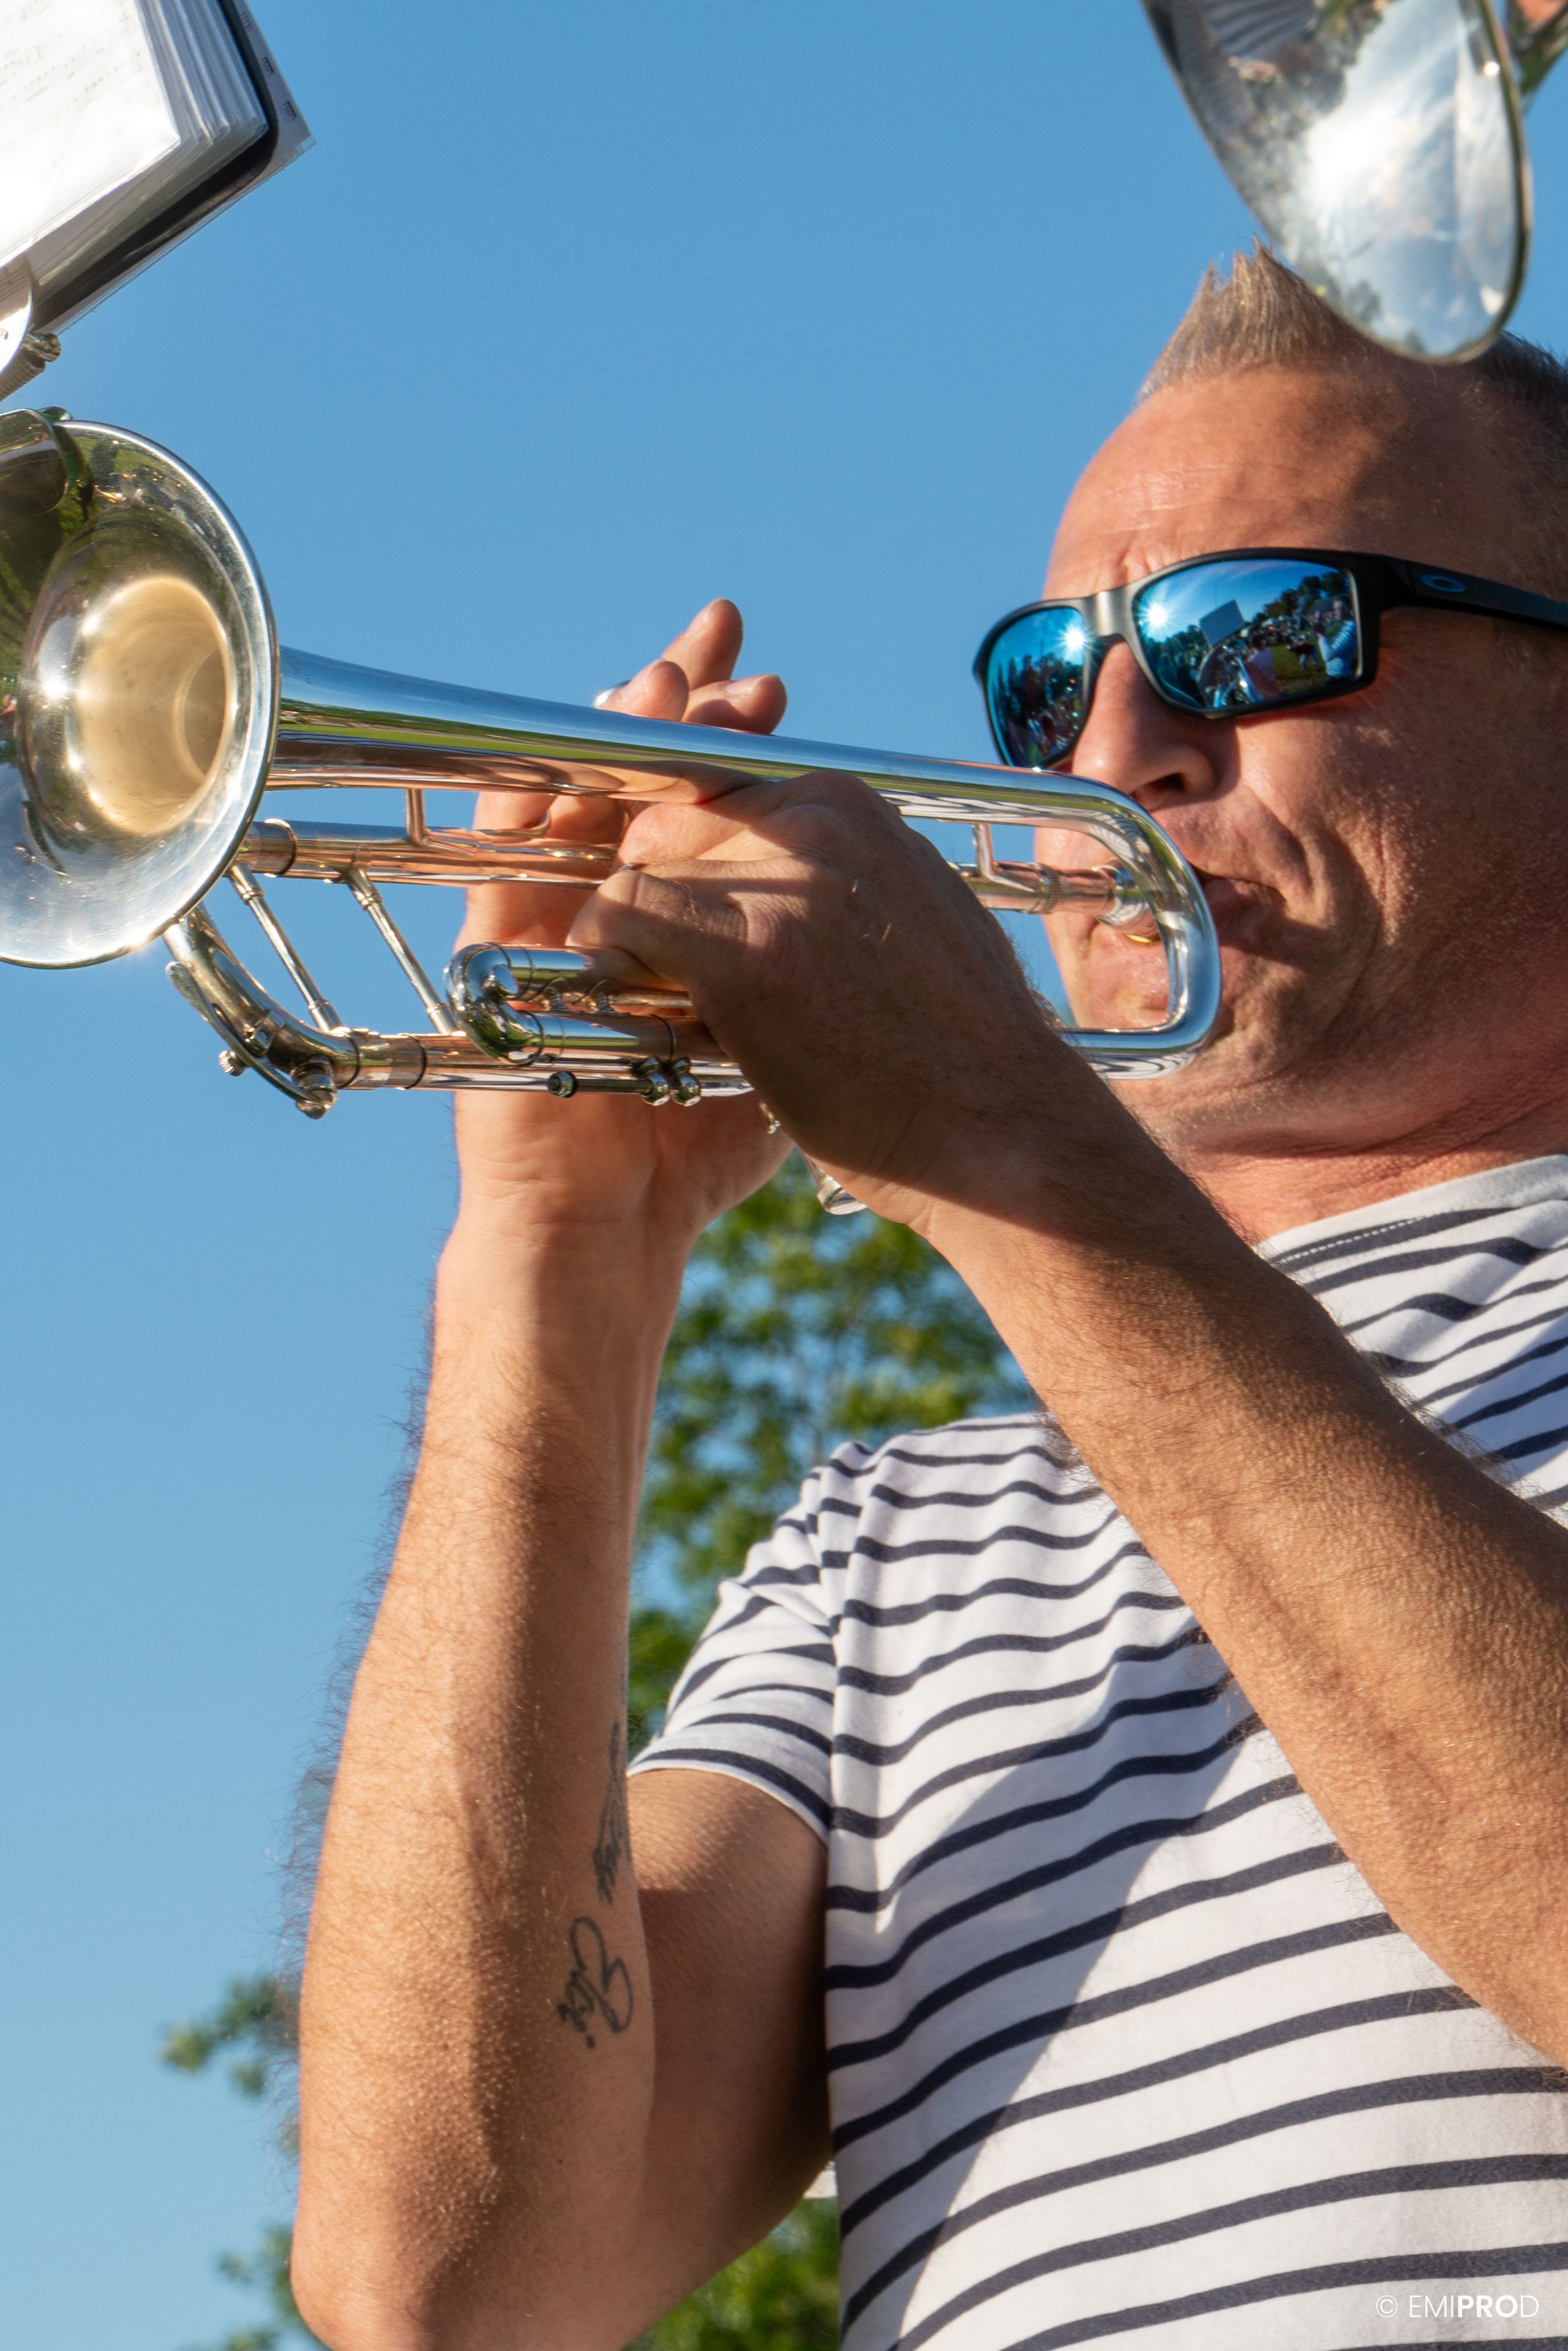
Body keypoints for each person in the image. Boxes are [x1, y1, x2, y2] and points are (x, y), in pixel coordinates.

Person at [292, 247, 1568, 2351]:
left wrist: (1004, 1151)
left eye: (1256, 636)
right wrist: (557, 1262)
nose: (1121, 747)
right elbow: (450, 2275)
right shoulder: (887, 1542)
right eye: (1047, 682)